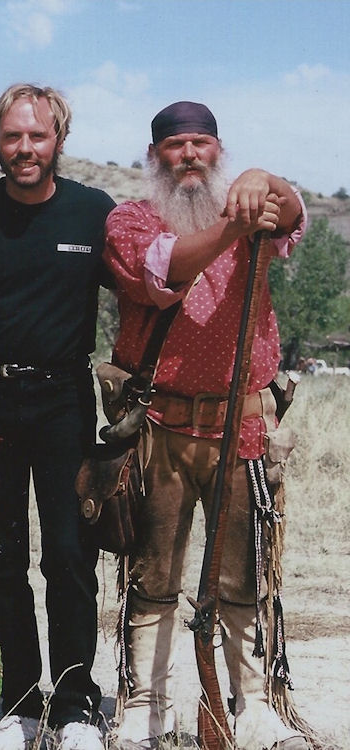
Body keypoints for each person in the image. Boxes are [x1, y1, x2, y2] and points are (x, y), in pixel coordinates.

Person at [103, 101, 313, 750]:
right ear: (154, 156)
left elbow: (296, 214)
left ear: (217, 152)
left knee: (244, 576)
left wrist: (264, 179)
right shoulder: (130, 221)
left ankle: (251, 706)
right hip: (160, 431)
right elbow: (165, 271)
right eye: (175, 146)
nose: (189, 155)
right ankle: (146, 706)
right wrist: (233, 222)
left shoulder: (255, 208)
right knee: (154, 575)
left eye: (201, 144)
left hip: (241, 431)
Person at [0, 83, 116, 750]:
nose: (25, 148)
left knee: (71, 558)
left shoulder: (92, 213)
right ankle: (21, 703)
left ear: (59, 141)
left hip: (63, 404)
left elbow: (149, 284)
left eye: (37, 136)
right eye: (12, 137)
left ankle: (77, 704)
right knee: (4, 559)